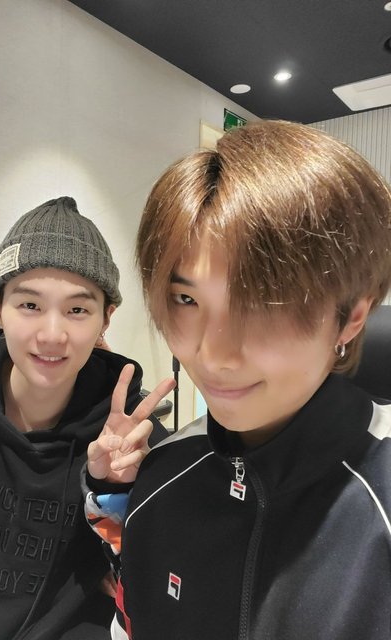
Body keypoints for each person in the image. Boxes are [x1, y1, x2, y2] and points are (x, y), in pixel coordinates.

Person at [87, 120, 391, 640]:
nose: (214, 353)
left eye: (265, 303)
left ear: (352, 317)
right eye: (187, 299)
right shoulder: (162, 476)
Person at [0, 196, 174, 640]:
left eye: (77, 310)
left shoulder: (127, 436)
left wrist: (112, 490)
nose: (52, 335)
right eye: (30, 305)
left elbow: (151, 579)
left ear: (106, 318)